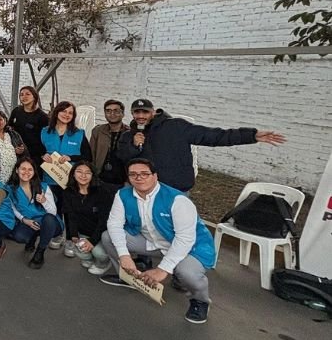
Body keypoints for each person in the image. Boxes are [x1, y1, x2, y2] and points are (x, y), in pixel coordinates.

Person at [93, 159, 217, 324]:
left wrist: (162, 269)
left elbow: (185, 239)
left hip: (190, 248)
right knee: (108, 237)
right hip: (153, 242)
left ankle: (200, 301)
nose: (139, 178)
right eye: (133, 174)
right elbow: (114, 224)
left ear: (155, 176)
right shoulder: (122, 195)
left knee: (187, 273)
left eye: (144, 174)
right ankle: (128, 277)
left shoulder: (178, 200)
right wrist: (124, 256)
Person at [116, 99, 285, 193]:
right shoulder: (129, 135)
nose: (141, 115)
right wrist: (134, 145)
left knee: (178, 231)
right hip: (144, 189)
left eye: (145, 111)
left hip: (175, 189)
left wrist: (251, 135)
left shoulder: (176, 126)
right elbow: (123, 157)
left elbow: (213, 136)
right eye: (137, 112)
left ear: (153, 112)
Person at [5, 158, 62, 269]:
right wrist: (23, 219)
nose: (26, 172)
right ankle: (33, 237)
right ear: (16, 170)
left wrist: (44, 202)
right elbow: (13, 209)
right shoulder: (10, 189)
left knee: (48, 219)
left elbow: (53, 212)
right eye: (23, 169)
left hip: (50, 222)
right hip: (30, 221)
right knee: (19, 236)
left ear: (34, 172)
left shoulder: (43, 186)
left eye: (30, 169)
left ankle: (40, 251)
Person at [58, 161, 116, 268]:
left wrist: (92, 241)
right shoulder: (68, 192)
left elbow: (104, 220)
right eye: (79, 172)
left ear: (93, 175)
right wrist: (74, 235)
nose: (83, 175)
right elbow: (70, 215)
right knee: (79, 248)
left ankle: (103, 263)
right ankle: (89, 259)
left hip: (101, 233)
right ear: (73, 174)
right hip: (83, 232)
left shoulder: (102, 191)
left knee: (99, 253)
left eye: (88, 172)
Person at [39, 101, 92, 186]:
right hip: (49, 181)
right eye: (64, 111)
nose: (67, 115)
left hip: (72, 182)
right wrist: (43, 156)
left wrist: (70, 158)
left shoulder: (79, 134)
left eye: (70, 113)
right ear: (56, 112)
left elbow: (88, 157)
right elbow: (38, 152)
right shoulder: (45, 132)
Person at [90, 99, 128, 185]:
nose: (112, 114)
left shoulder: (129, 133)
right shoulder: (98, 131)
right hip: (100, 179)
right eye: (108, 111)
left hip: (122, 181)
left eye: (116, 111)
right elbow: (91, 154)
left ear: (123, 113)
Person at [8, 85, 48, 161]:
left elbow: (46, 139)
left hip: (34, 155)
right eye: (21, 95)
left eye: (28, 94)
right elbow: (9, 127)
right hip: (16, 151)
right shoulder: (16, 111)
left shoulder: (43, 117)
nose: (24, 97)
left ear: (34, 96)